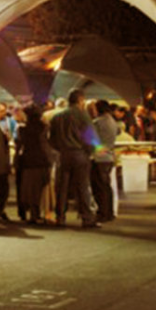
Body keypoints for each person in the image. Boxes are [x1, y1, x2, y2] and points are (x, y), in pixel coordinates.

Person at [49, 89, 100, 228]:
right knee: (82, 186)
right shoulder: (83, 115)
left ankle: (60, 217)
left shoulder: (57, 117)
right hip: (79, 154)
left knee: (61, 188)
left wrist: (60, 149)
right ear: (80, 100)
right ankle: (87, 218)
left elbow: (51, 139)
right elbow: (91, 137)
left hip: (63, 155)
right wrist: (90, 152)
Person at [17, 104, 53, 224]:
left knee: (30, 189)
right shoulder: (45, 127)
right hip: (42, 159)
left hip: (28, 160)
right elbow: (47, 143)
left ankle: (33, 213)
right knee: (43, 188)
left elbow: (19, 145)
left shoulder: (22, 129)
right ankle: (43, 213)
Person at [91, 100, 118, 223]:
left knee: (99, 187)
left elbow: (91, 140)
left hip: (99, 158)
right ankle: (109, 212)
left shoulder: (97, 123)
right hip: (109, 157)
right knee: (107, 186)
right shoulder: (113, 121)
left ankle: (102, 213)